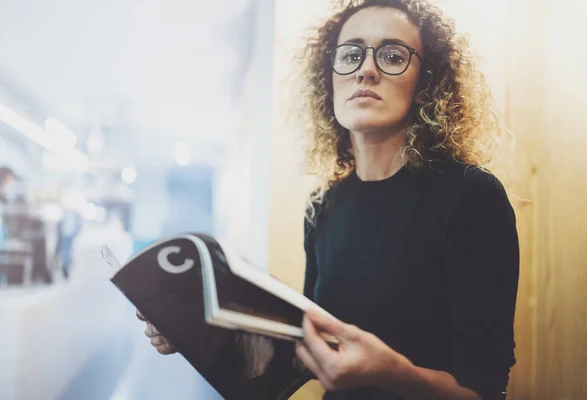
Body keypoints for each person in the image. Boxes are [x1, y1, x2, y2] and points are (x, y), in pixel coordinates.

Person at [137, 0, 520, 399]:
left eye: (392, 55)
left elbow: (485, 391)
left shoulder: (472, 197)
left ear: (427, 82)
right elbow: (305, 351)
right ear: (330, 77)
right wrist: (200, 331)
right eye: (350, 54)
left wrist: (393, 372)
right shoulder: (324, 206)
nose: (365, 69)